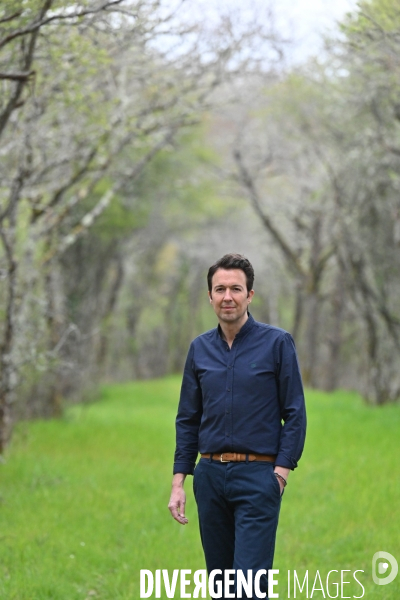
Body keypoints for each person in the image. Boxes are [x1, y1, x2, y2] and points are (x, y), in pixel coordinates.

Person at [168, 253, 306, 599]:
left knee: (249, 588)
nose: (227, 296)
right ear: (210, 296)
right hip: (210, 478)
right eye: (220, 289)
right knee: (221, 586)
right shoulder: (199, 349)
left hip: (258, 478)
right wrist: (179, 481)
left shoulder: (277, 343)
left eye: (235, 288)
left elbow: (295, 413)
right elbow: (187, 418)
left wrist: (280, 475)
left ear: (249, 295)